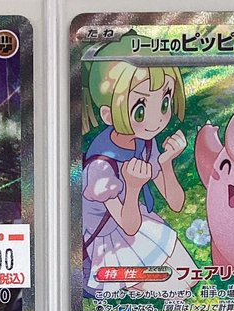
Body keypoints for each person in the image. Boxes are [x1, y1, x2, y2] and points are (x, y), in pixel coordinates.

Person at [81, 35, 194, 292]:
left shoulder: (146, 142)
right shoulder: (100, 167)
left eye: (164, 103)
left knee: (191, 277)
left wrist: (166, 163)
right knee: (178, 288)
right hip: (109, 240)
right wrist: (132, 188)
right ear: (108, 115)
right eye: (141, 110)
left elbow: (176, 203)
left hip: (138, 222)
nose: (156, 120)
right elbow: (128, 226)